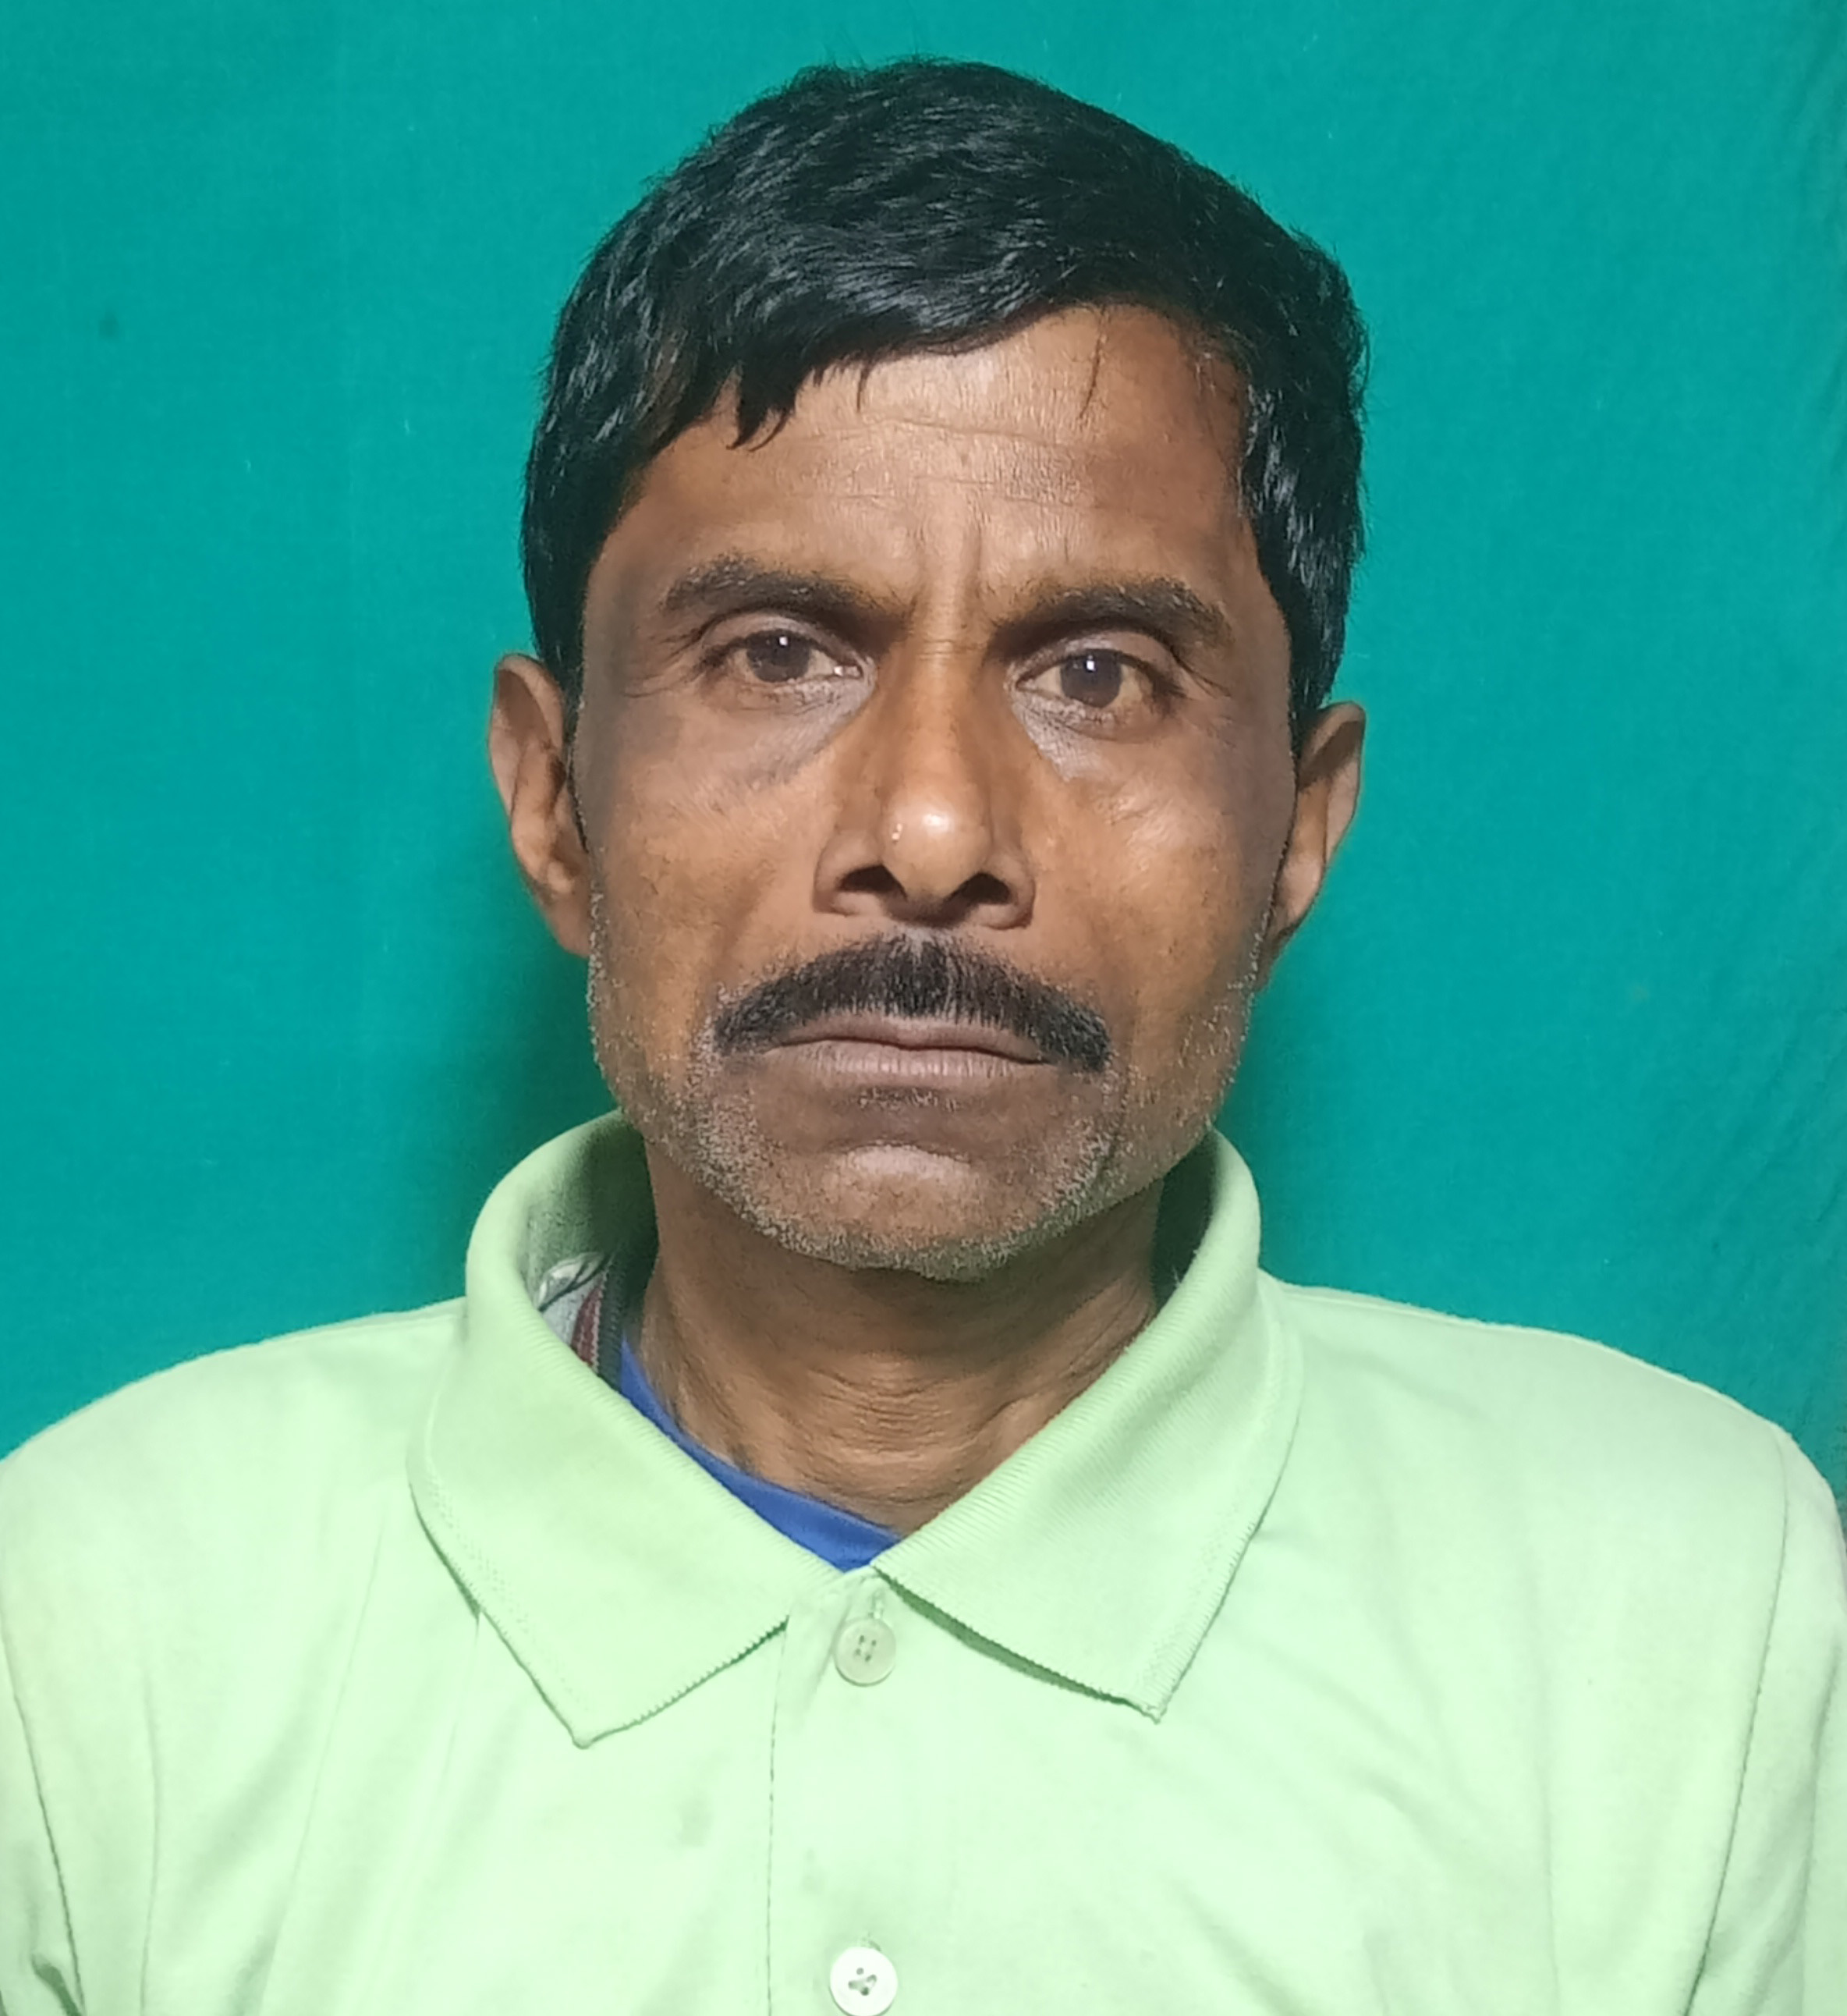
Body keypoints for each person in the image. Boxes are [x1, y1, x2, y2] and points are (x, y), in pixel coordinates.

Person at [1, 56, 1840, 2016]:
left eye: (1097, 672)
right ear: (553, 802)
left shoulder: (1689, 1617)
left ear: (1297, 833)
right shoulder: (89, 1630)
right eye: (777, 651)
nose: (936, 829)